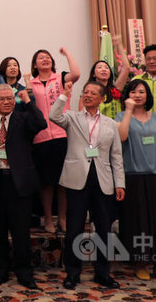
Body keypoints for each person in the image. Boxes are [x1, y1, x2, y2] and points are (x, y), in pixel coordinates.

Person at [50, 81, 125, 290]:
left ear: (102, 98)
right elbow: (53, 116)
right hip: (77, 180)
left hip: (103, 181)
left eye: (93, 93)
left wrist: (120, 183)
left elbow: (116, 156)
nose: (88, 95)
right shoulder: (72, 118)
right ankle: (72, 273)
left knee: (104, 230)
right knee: (74, 228)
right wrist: (65, 95)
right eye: (85, 92)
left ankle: (103, 273)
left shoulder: (110, 123)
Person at [0, 84, 47, 289]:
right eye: (1, 99)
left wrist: (27, 100)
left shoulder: (24, 118)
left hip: (19, 182)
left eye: (9, 98)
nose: (6, 102)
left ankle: (25, 273)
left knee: (21, 232)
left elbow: (41, 123)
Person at [115, 79, 156, 281]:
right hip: (133, 177)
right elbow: (122, 137)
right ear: (127, 96)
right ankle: (140, 263)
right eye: (133, 92)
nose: (137, 95)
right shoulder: (120, 117)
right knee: (138, 223)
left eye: (141, 91)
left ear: (148, 95)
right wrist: (127, 110)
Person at [27, 47, 80, 234]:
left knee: (63, 181)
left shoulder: (60, 78)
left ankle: (62, 218)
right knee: (46, 182)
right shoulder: (30, 83)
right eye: (40, 57)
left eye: (47, 57)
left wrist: (67, 54)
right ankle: (48, 218)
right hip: (41, 137)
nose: (45, 59)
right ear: (35, 64)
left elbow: (76, 73)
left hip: (63, 134)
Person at [82, 34, 131, 119]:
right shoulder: (88, 93)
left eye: (106, 68)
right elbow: (82, 116)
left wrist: (118, 45)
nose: (104, 69)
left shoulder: (116, 88)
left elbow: (126, 68)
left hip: (116, 129)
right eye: (100, 67)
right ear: (93, 73)